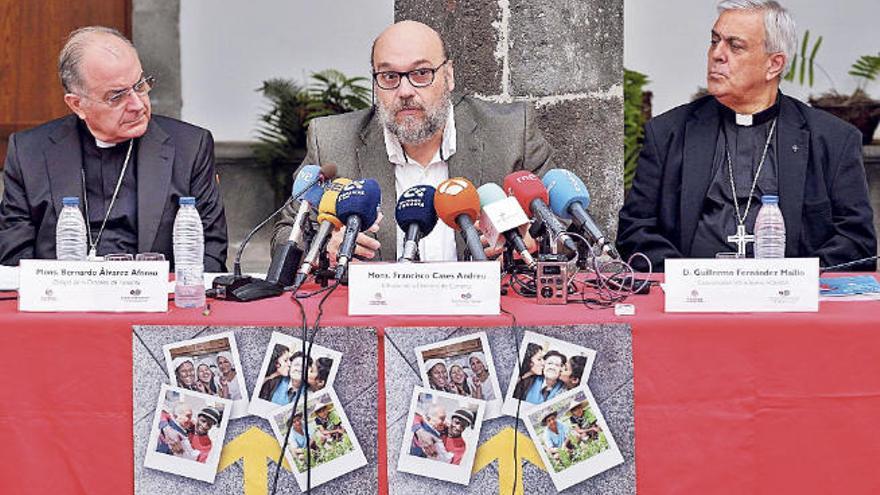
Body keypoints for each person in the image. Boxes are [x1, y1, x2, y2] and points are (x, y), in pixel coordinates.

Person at [617, 0, 876, 271]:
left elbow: (856, 242)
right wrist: (690, 278)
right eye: (714, 41)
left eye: (735, 46)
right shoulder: (668, 133)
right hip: (692, 304)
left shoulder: (833, 140)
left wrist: (792, 280)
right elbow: (635, 231)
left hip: (791, 306)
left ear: (774, 65)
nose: (717, 54)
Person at [271, 20, 553, 263]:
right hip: (378, 318)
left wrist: (534, 243)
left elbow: (564, 227)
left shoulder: (510, 132)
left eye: (421, 73)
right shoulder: (333, 142)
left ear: (449, 75)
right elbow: (285, 235)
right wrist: (325, 249)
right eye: (389, 76)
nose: (405, 91)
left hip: (486, 316)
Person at [0, 26, 227, 269]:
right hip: (64, 302)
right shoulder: (28, 153)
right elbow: (13, 262)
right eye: (117, 96)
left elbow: (210, 255)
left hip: (158, 301)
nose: (137, 105)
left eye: (140, 86)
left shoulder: (190, 147)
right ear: (77, 104)